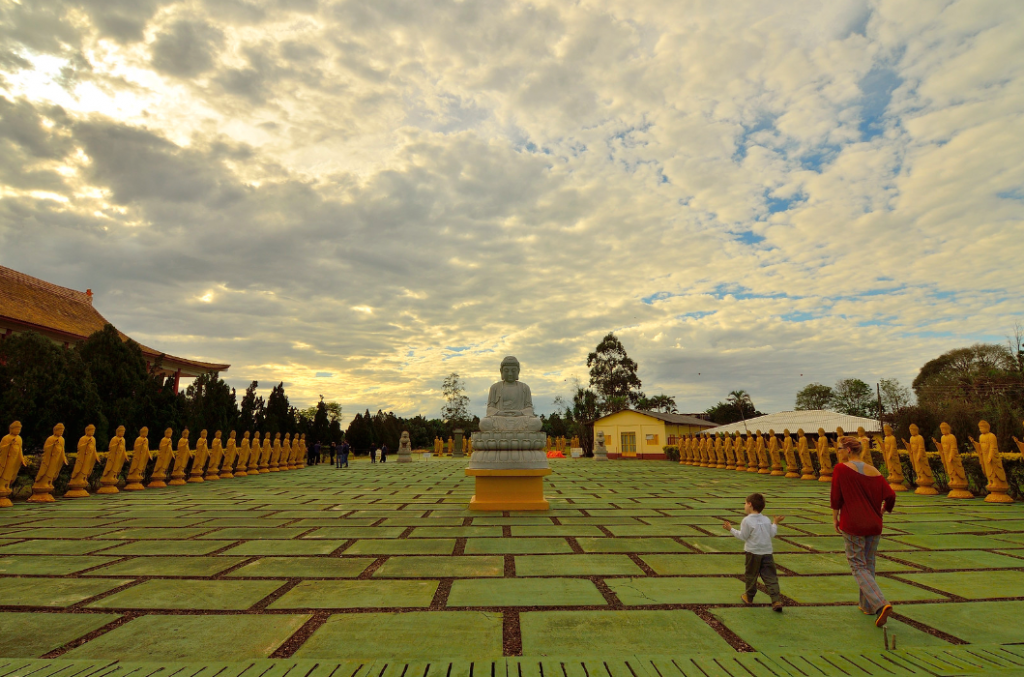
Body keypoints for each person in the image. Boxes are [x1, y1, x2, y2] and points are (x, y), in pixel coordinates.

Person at [831, 436, 897, 627]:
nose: (839, 452)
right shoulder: (874, 471)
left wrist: (835, 518)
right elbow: (891, 495)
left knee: (857, 565)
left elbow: (836, 496)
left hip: (853, 524)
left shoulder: (841, 469)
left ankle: (880, 603)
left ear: (849, 450)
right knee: (868, 563)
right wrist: (883, 510)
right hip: (874, 525)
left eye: (840, 449)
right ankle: (866, 605)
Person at [723, 493, 785, 612]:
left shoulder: (747, 520)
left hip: (753, 552)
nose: (745, 506)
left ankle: (749, 597)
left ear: (750, 504)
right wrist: (775, 523)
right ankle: (776, 599)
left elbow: (743, 536)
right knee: (770, 577)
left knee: (751, 575)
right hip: (767, 552)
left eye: (745, 503)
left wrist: (730, 529)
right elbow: (772, 534)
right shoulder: (766, 519)